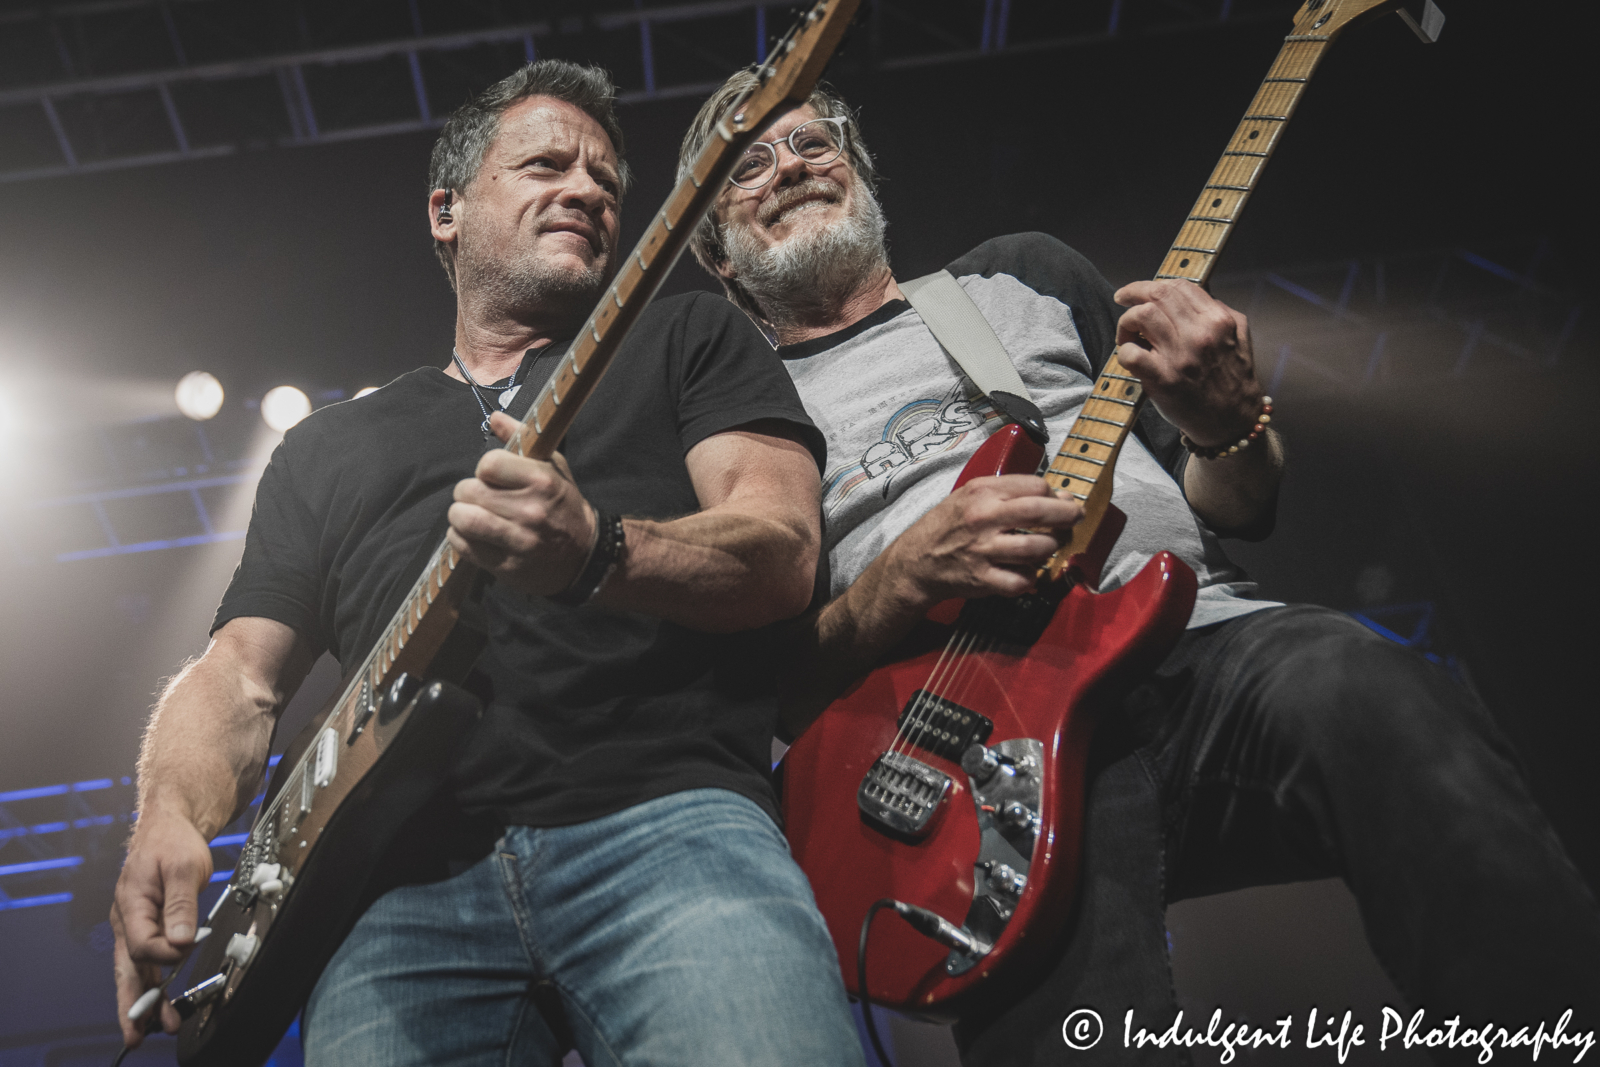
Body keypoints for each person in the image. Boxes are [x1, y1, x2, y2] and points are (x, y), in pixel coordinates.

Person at [678, 72, 1600, 1064]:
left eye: (814, 145)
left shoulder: (1015, 282)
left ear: (859, 175)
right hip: (967, 755)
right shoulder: (731, 421)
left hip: (1192, 650)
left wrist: (1231, 421)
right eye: (748, 165)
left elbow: (1238, 504)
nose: (790, 169)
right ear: (716, 259)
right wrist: (896, 575)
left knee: (1362, 678)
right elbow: (762, 689)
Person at [110, 60, 869, 1067]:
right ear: (447, 210)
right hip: (387, 896)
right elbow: (240, 675)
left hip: (670, 826)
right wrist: (167, 811)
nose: (588, 190)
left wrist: (598, 550)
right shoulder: (328, 446)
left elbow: (780, 549)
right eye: (547, 163)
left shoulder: (685, 334)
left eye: (605, 180)